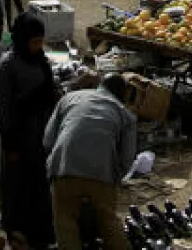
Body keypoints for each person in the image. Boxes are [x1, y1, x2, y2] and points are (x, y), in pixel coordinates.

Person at [45, 76, 135, 250]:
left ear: (100, 85)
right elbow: (126, 159)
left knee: (65, 223)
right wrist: (113, 180)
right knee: (108, 222)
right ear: (122, 94)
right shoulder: (125, 114)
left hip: (64, 168)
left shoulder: (69, 98)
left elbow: (48, 141)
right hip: (102, 174)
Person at [0, 11, 60, 250]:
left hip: (41, 135)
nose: (38, 46)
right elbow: (4, 108)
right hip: (19, 136)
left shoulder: (41, 60)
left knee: (39, 185)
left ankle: (40, 233)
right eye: (34, 42)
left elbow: (49, 90)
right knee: (18, 188)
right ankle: (17, 233)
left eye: (40, 41)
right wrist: (10, 144)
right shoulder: (8, 66)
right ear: (23, 39)